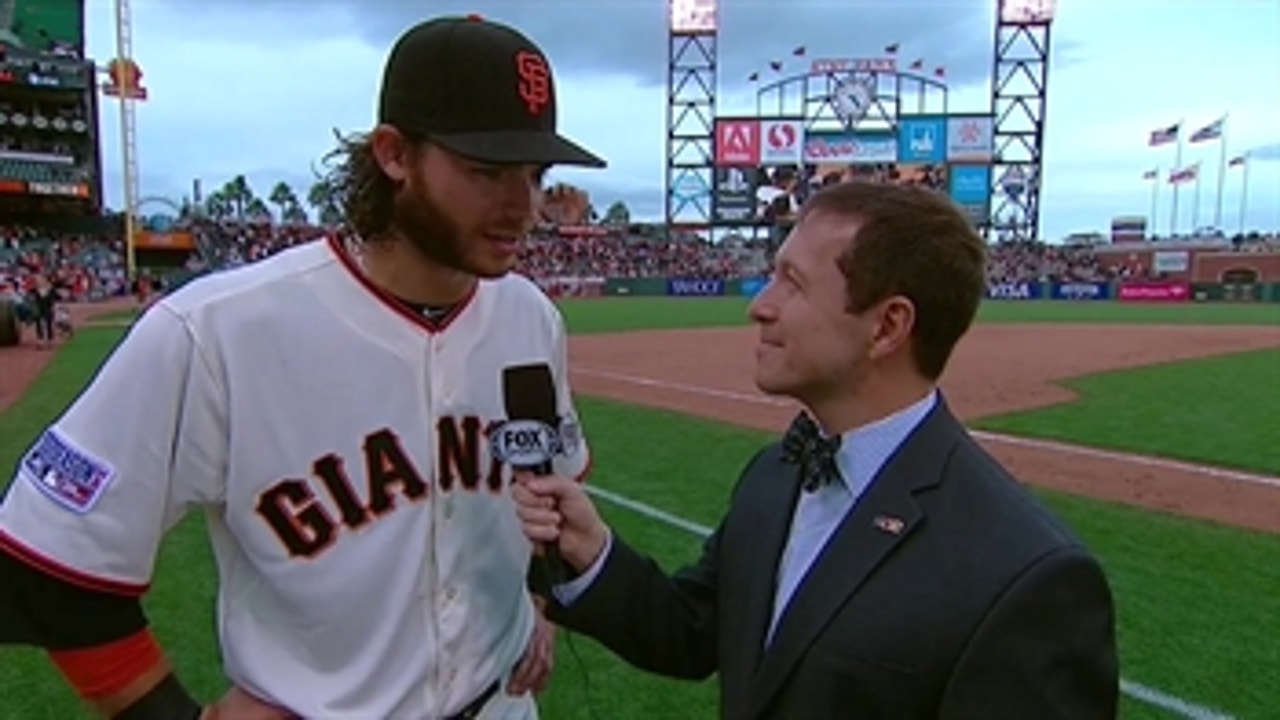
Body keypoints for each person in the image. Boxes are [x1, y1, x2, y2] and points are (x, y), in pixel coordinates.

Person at [0, 14, 603, 720]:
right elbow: (49, 562)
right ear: (394, 154)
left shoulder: (530, 318)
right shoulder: (217, 330)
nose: (523, 205)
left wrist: (541, 596)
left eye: (535, 173)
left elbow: (548, 490)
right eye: (488, 170)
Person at [515, 181, 1120, 718]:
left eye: (793, 283)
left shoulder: (1027, 575)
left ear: (887, 327)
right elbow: (696, 630)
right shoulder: (775, 473)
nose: (759, 305)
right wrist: (592, 553)